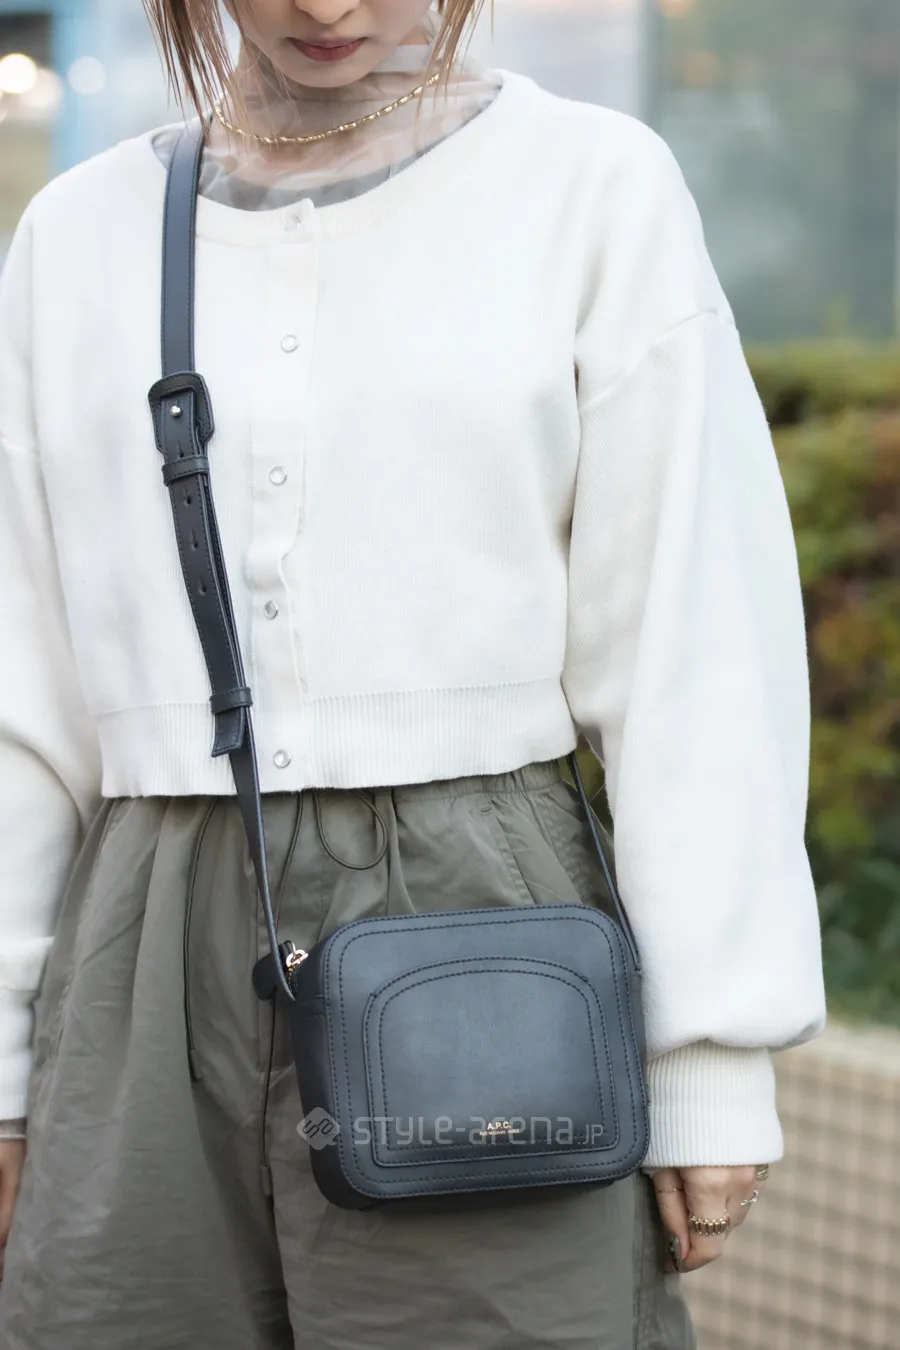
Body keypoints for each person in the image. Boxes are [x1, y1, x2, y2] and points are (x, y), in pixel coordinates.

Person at [0, 1, 826, 1346]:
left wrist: (710, 1056)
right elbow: (19, 688)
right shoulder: (76, 235)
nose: (328, 6)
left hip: (483, 907)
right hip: (142, 933)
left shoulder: (589, 186)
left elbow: (692, 635)